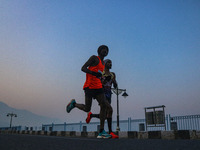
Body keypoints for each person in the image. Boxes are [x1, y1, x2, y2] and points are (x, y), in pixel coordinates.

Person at [66, 45, 112, 138]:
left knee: (103, 105)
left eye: (107, 50)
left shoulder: (103, 64)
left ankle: (101, 131)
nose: (105, 51)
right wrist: (94, 73)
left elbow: (99, 76)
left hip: (99, 87)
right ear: (99, 51)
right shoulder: (94, 58)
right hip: (90, 86)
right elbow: (83, 68)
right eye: (104, 49)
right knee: (87, 108)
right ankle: (74, 104)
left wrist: (104, 79)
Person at [85, 59, 119, 138]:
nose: (110, 64)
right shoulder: (100, 73)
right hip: (101, 94)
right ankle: (110, 132)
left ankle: (92, 115)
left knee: (106, 114)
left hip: (109, 94)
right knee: (110, 110)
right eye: (108, 62)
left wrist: (114, 81)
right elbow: (99, 84)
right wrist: (105, 81)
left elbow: (115, 86)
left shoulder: (113, 74)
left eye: (111, 63)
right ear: (104, 64)